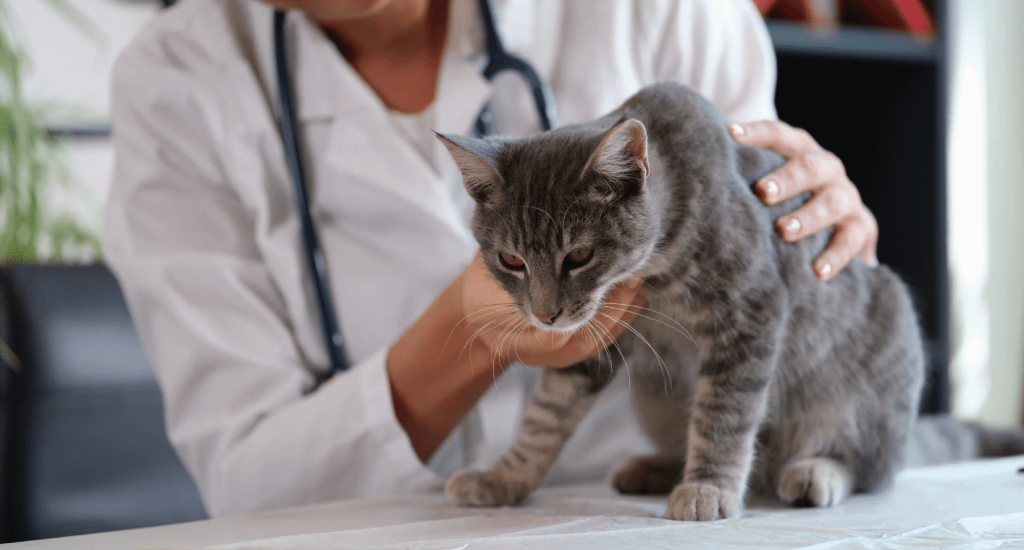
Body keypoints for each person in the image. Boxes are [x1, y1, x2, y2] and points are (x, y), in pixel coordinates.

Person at [104, 0, 879, 518]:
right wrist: (468, 326)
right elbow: (250, 486)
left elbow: (764, 290)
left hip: (650, 523)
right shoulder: (176, 81)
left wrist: (824, 231)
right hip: (381, 537)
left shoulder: (665, 9)